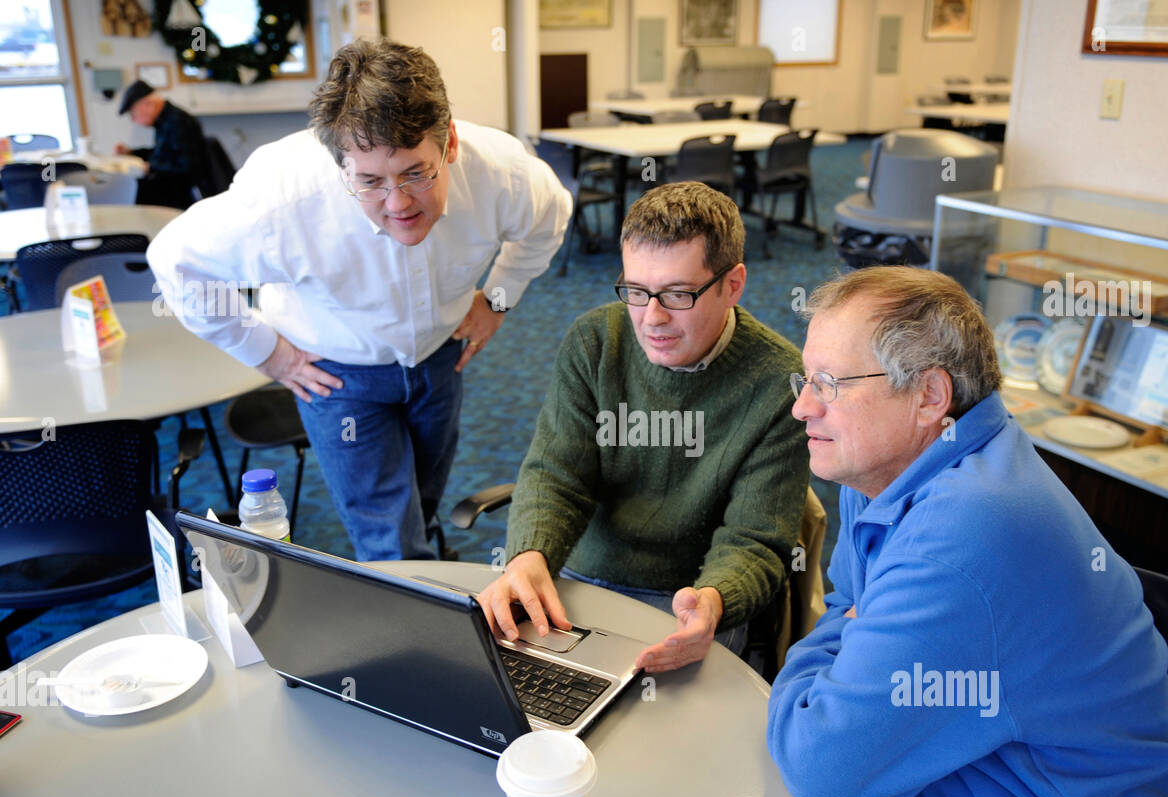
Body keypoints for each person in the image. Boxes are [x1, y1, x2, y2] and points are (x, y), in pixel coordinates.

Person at [767, 266, 1168, 797]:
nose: (802, 407)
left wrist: (814, 702)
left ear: (929, 396)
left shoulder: (960, 537)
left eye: (829, 383)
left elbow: (816, 760)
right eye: (806, 378)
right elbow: (850, 605)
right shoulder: (889, 468)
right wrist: (866, 748)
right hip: (987, 786)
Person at [148, 38, 572, 561]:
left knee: (422, 504)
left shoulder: (504, 174)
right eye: (371, 182)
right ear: (339, 167)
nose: (398, 203)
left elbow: (547, 223)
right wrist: (267, 351)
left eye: (417, 173)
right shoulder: (281, 203)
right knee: (389, 541)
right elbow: (175, 260)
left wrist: (498, 301)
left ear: (451, 144)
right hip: (337, 372)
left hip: (442, 353)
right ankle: (414, 622)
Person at [476, 182, 808, 673]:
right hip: (575, 574)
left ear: (732, 284)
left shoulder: (779, 382)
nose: (651, 318)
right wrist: (528, 556)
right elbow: (557, 473)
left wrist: (712, 601)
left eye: (677, 294)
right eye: (635, 291)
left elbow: (755, 538)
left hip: (689, 596)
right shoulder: (596, 341)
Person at [115, 79, 208, 208]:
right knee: (128, 187)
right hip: (171, 186)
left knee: (129, 192)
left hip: (181, 192)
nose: (134, 120)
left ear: (148, 104)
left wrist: (151, 167)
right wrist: (131, 152)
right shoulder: (164, 119)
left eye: (134, 114)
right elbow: (162, 153)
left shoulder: (178, 122)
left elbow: (186, 166)